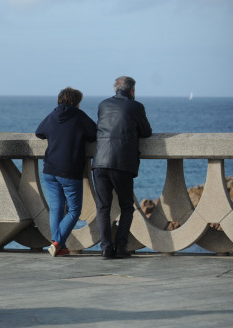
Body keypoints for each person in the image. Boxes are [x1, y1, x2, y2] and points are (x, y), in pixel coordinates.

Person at [92, 76, 152, 259]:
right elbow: (146, 132)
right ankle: (120, 247)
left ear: (115, 89)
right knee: (126, 207)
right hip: (122, 163)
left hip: (100, 162)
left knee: (103, 208)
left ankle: (105, 248)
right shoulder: (136, 106)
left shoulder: (103, 105)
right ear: (132, 90)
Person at [35, 87, 97, 257]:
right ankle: (57, 243)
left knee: (56, 208)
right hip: (69, 170)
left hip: (49, 169)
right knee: (74, 210)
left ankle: (58, 246)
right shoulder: (79, 116)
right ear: (76, 102)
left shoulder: (53, 115)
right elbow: (94, 134)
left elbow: (39, 132)